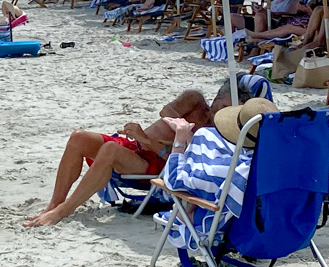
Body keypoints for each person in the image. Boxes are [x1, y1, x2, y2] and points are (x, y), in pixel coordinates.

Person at [22, 90, 214, 228]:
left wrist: (147, 140)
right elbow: (166, 113)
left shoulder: (218, 131)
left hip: (159, 165)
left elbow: (181, 156)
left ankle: (62, 211)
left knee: (110, 149)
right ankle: (55, 203)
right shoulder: (196, 100)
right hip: (137, 148)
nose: (219, 109)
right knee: (78, 138)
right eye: (220, 103)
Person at [158, 98, 279, 253]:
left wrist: (180, 138)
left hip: (238, 230)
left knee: (179, 209)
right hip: (284, 227)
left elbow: (173, 181)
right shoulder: (284, 165)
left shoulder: (227, 172)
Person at [243, 0, 310, 40]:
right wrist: (259, 9)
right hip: (261, 20)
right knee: (233, 17)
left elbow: (289, 14)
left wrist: (267, 13)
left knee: (259, 16)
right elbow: (265, 10)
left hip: (274, 23)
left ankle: (256, 44)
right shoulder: (276, 0)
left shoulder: (294, 1)